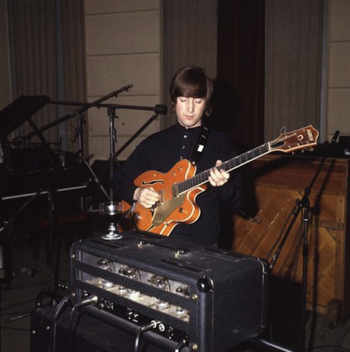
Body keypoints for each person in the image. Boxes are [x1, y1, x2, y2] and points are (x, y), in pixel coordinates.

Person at [111, 66, 243, 246]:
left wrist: (223, 186)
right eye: (183, 100)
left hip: (202, 246)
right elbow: (118, 179)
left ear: (206, 104)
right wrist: (137, 192)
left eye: (197, 101)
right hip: (152, 242)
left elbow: (238, 203)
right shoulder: (154, 143)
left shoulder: (221, 143)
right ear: (174, 102)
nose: (190, 109)